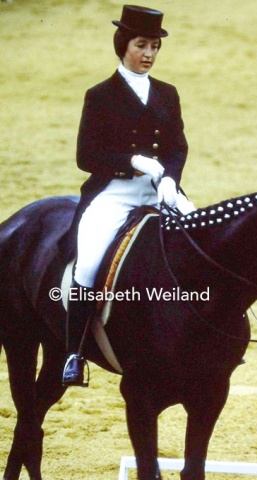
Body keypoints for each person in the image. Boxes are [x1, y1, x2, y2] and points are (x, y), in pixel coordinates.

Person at [62, 5, 194, 387]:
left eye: (155, 46)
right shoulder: (100, 95)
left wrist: (170, 178)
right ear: (123, 45)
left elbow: (177, 147)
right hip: (114, 192)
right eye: (142, 45)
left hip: (159, 190)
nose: (149, 54)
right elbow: (86, 156)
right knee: (87, 263)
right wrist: (133, 162)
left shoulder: (167, 94)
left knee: (202, 240)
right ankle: (74, 352)